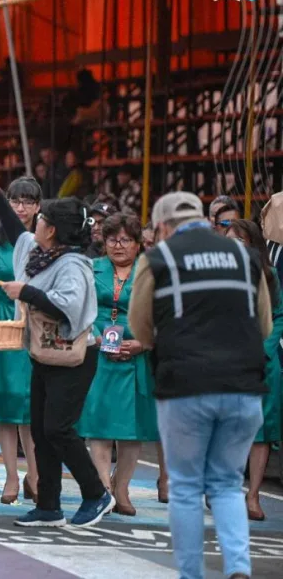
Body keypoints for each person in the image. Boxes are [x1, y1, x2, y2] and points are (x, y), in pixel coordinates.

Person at [128, 191, 272, 579]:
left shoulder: (157, 259)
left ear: (161, 226)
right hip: (244, 387)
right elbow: (264, 326)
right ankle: (238, 567)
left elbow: (140, 327)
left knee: (188, 486)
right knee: (226, 483)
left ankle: (191, 574)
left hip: (186, 385)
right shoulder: (245, 257)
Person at [0, 157, 114, 528]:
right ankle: (49, 505)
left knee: (58, 428)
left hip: (75, 356)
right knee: (39, 430)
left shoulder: (73, 265)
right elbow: (14, 230)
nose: (32, 222)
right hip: (44, 353)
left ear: (52, 229)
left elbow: (68, 307)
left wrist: (26, 292)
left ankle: (96, 493)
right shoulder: (38, 252)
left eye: (40, 219)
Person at [76, 213, 159, 517]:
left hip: (137, 352)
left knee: (130, 428)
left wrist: (143, 342)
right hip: (97, 350)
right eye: (112, 239)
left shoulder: (151, 272)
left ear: (138, 244)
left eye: (125, 239)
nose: (118, 245)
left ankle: (121, 486)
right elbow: (82, 306)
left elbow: (163, 313)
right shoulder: (91, 267)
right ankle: (103, 489)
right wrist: (98, 339)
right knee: (97, 423)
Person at [0, 176, 41, 506]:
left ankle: (36, 475)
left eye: (28, 201)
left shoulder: (45, 238)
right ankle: (12, 476)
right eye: (15, 200)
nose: (21, 207)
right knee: (4, 409)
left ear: (39, 207)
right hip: (1, 323)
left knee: (31, 408)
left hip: (34, 323)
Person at [225, 219, 282, 522]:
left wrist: (264, 349)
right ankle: (226, 488)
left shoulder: (270, 275)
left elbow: (279, 315)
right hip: (225, 362)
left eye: (242, 241)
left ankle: (253, 494)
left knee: (261, 431)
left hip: (262, 362)